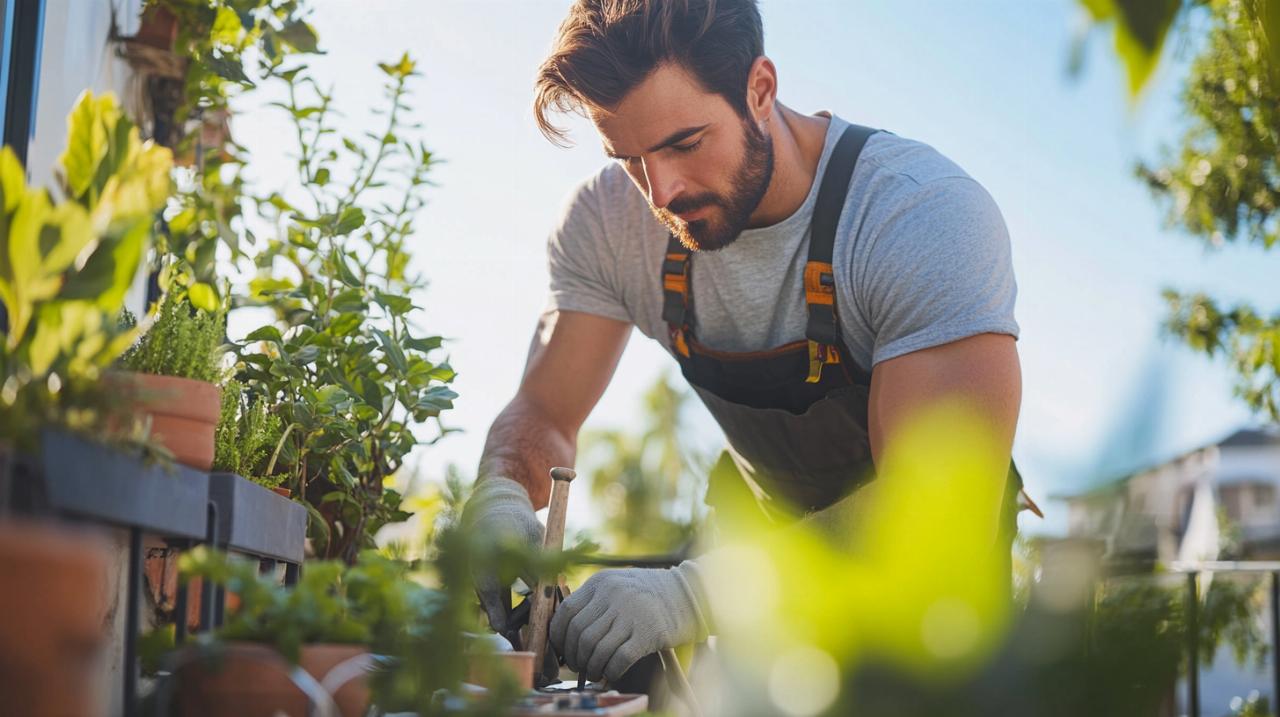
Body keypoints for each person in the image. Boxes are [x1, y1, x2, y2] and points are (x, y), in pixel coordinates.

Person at [461, 0, 1023, 686]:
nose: (661, 190)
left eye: (684, 142)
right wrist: (499, 491)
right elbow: (545, 415)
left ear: (760, 88)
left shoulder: (917, 215)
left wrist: (699, 593)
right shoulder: (606, 225)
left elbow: (936, 512)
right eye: (630, 158)